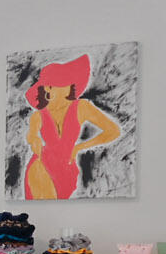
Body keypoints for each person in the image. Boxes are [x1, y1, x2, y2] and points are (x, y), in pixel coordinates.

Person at [22, 53, 123, 200]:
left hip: (67, 169)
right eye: (59, 83)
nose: (67, 87)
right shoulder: (38, 115)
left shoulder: (82, 107)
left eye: (68, 82)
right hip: (41, 164)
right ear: (48, 88)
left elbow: (113, 131)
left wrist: (79, 147)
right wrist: (34, 140)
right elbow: (31, 135)